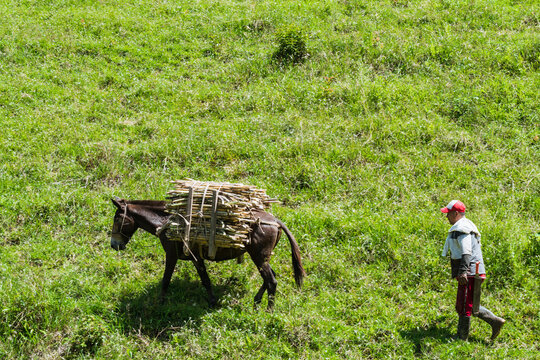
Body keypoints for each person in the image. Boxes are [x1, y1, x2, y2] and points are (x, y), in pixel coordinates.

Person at [440, 200, 505, 341]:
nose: (447, 217)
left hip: (470, 272)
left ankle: (461, 337)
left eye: (448, 214)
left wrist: (463, 271)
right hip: (472, 271)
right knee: (467, 303)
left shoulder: (462, 229)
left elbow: (467, 251)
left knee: (464, 304)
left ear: (456, 213)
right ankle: (495, 321)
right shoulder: (464, 226)